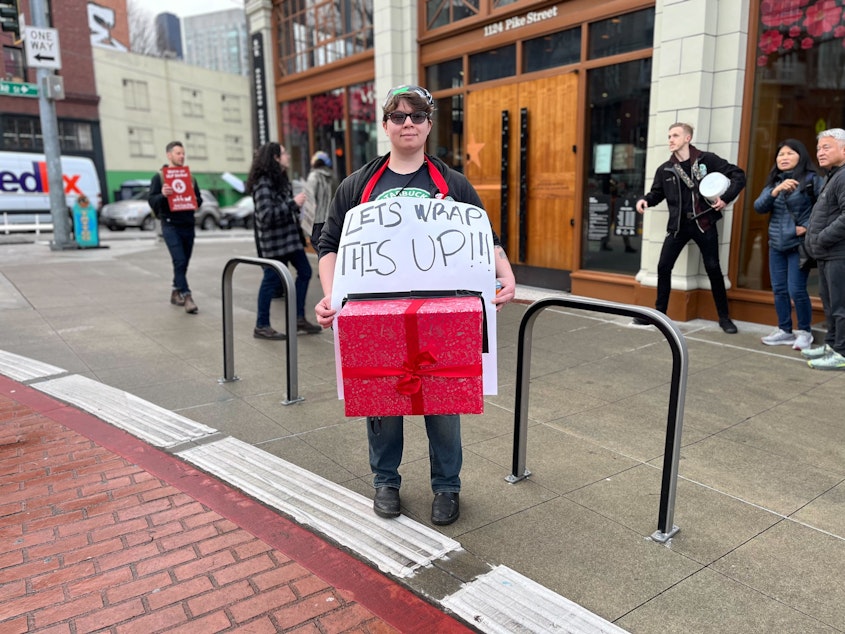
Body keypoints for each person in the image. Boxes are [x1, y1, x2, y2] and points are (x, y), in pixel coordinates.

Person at [314, 84, 516, 526]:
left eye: (418, 116)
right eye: (399, 116)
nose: (409, 123)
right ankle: (385, 481)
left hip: (441, 317)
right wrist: (331, 295)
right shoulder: (357, 185)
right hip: (375, 315)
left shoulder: (452, 183)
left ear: (428, 125)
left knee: (445, 403)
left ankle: (448, 487)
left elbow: (486, 239)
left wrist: (505, 274)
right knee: (381, 402)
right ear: (385, 125)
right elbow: (328, 244)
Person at [635, 123, 746, 333]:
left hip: (704, 222)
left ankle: (724, 318)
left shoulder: (707, 160)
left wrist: (725, 199)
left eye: (675, 135)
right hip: (679, 226)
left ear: (687, 138)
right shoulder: (665, 169)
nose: (670, 139)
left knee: (713, 268)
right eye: (669, 136)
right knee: (663, 267)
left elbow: (738, 175)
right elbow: (656, 194)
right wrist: (645, 201)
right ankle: (660, 315)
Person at [246, 142, 322, 340]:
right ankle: (261, 325)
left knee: (305, 272)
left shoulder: (280, 178)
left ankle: (298, 318)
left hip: (290, 239)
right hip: (275, 242)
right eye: (283, 153)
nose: (288, 155)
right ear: (275, 158)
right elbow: (266, 215)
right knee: (270, 281)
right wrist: (292, 203)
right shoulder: (263, 182)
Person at [753, 139, 819, 350]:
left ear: (801, 157)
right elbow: (758, 207)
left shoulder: (812, 180)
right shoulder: (775, 182)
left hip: (798, 245)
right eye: (781, 154)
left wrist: (808, 226)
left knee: (796, 290)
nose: (784, 157)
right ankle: (785, 330)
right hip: (776, 245)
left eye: (790, 153)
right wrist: (776, 190)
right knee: (779, 289)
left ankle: (805, 332)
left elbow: (826, 208)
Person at [802, 128, 845, 370]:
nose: (820, 152)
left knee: (840, 306)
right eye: (818, 148)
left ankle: (841, 352)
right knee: (830, 305)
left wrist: (821, 238)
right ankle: (831, 345)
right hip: (827, 254)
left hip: (838, 253)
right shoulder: (834, 175)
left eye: (826, 147)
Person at [149, 141, 202, 314]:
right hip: (170, 225)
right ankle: (187, 296)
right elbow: (152, 200)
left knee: (183, 263)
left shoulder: (190, 177)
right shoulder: (160, 177)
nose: (182, 156)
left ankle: (175, 291)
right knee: (179, 260)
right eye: (178, 153)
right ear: (169, 155)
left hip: (188, 224)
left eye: (183, 153)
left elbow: (199, 201)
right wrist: (162, 195)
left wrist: (193, 197)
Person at [301, 150, 337, 248]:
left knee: (319, 247)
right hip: (331, 219)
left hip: (317, 220)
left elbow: (309, 199)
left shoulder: (314, 176)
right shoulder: (332, 176)